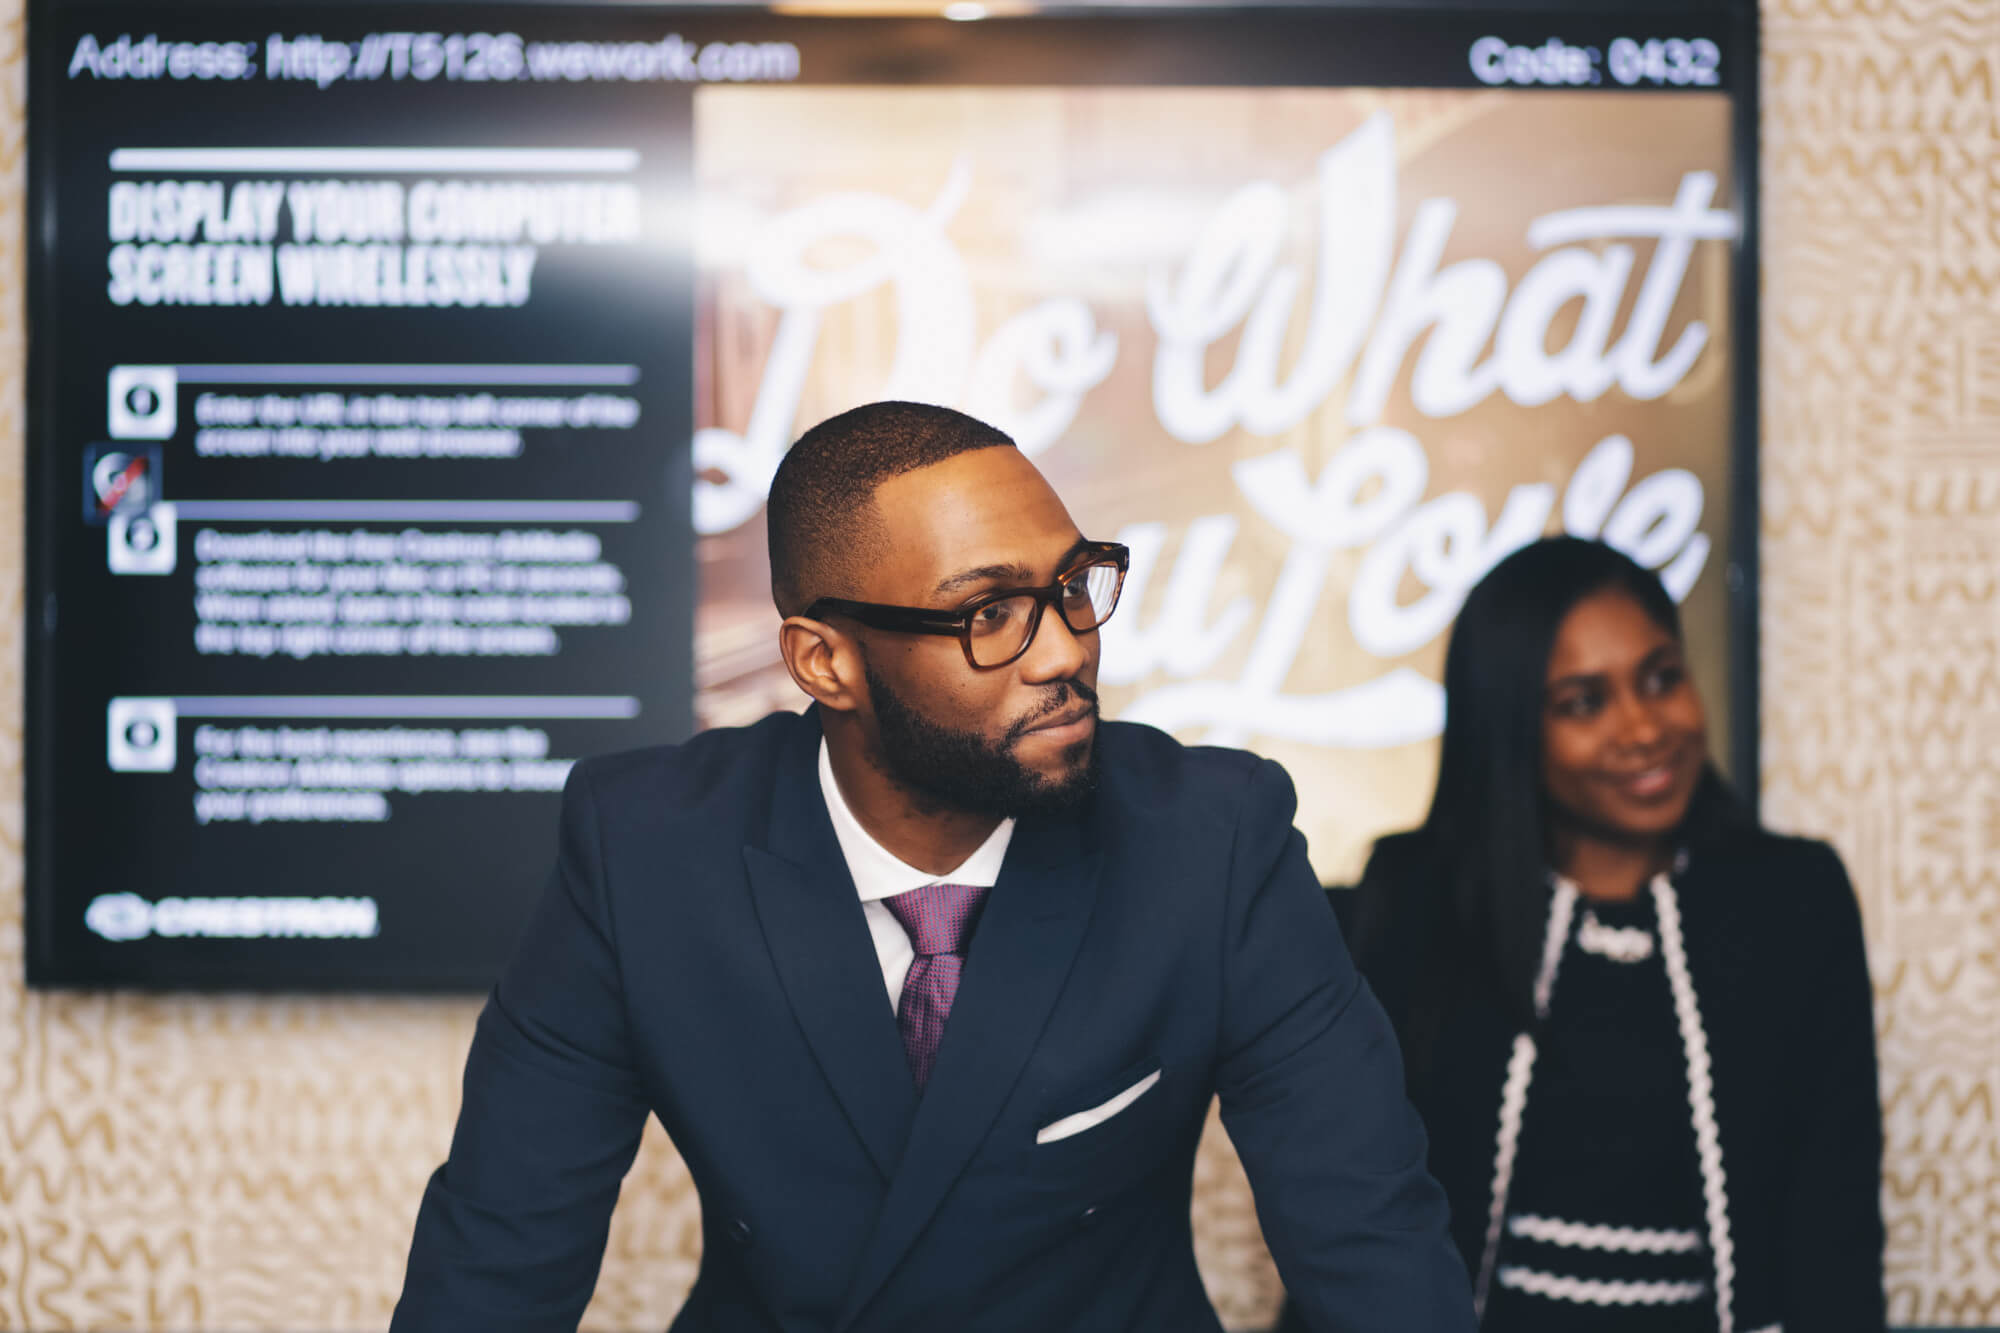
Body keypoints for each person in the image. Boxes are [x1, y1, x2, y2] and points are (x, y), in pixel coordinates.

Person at [391, 401, 1475, 1332]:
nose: (1063, 650)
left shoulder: (1211, 839)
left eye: (1072, 586)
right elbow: (499, 1260)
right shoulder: (646, 849)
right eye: (988, 614)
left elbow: (1369, 1241)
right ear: (825, 661)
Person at [1282, 536, 1884, 1333]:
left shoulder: (1794, 900)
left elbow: (1835, 1221)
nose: (1643, 728)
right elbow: (1350, 1217)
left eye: (1662, 678)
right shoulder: (1412, 900)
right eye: (1584, 702)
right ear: (1509, 728)